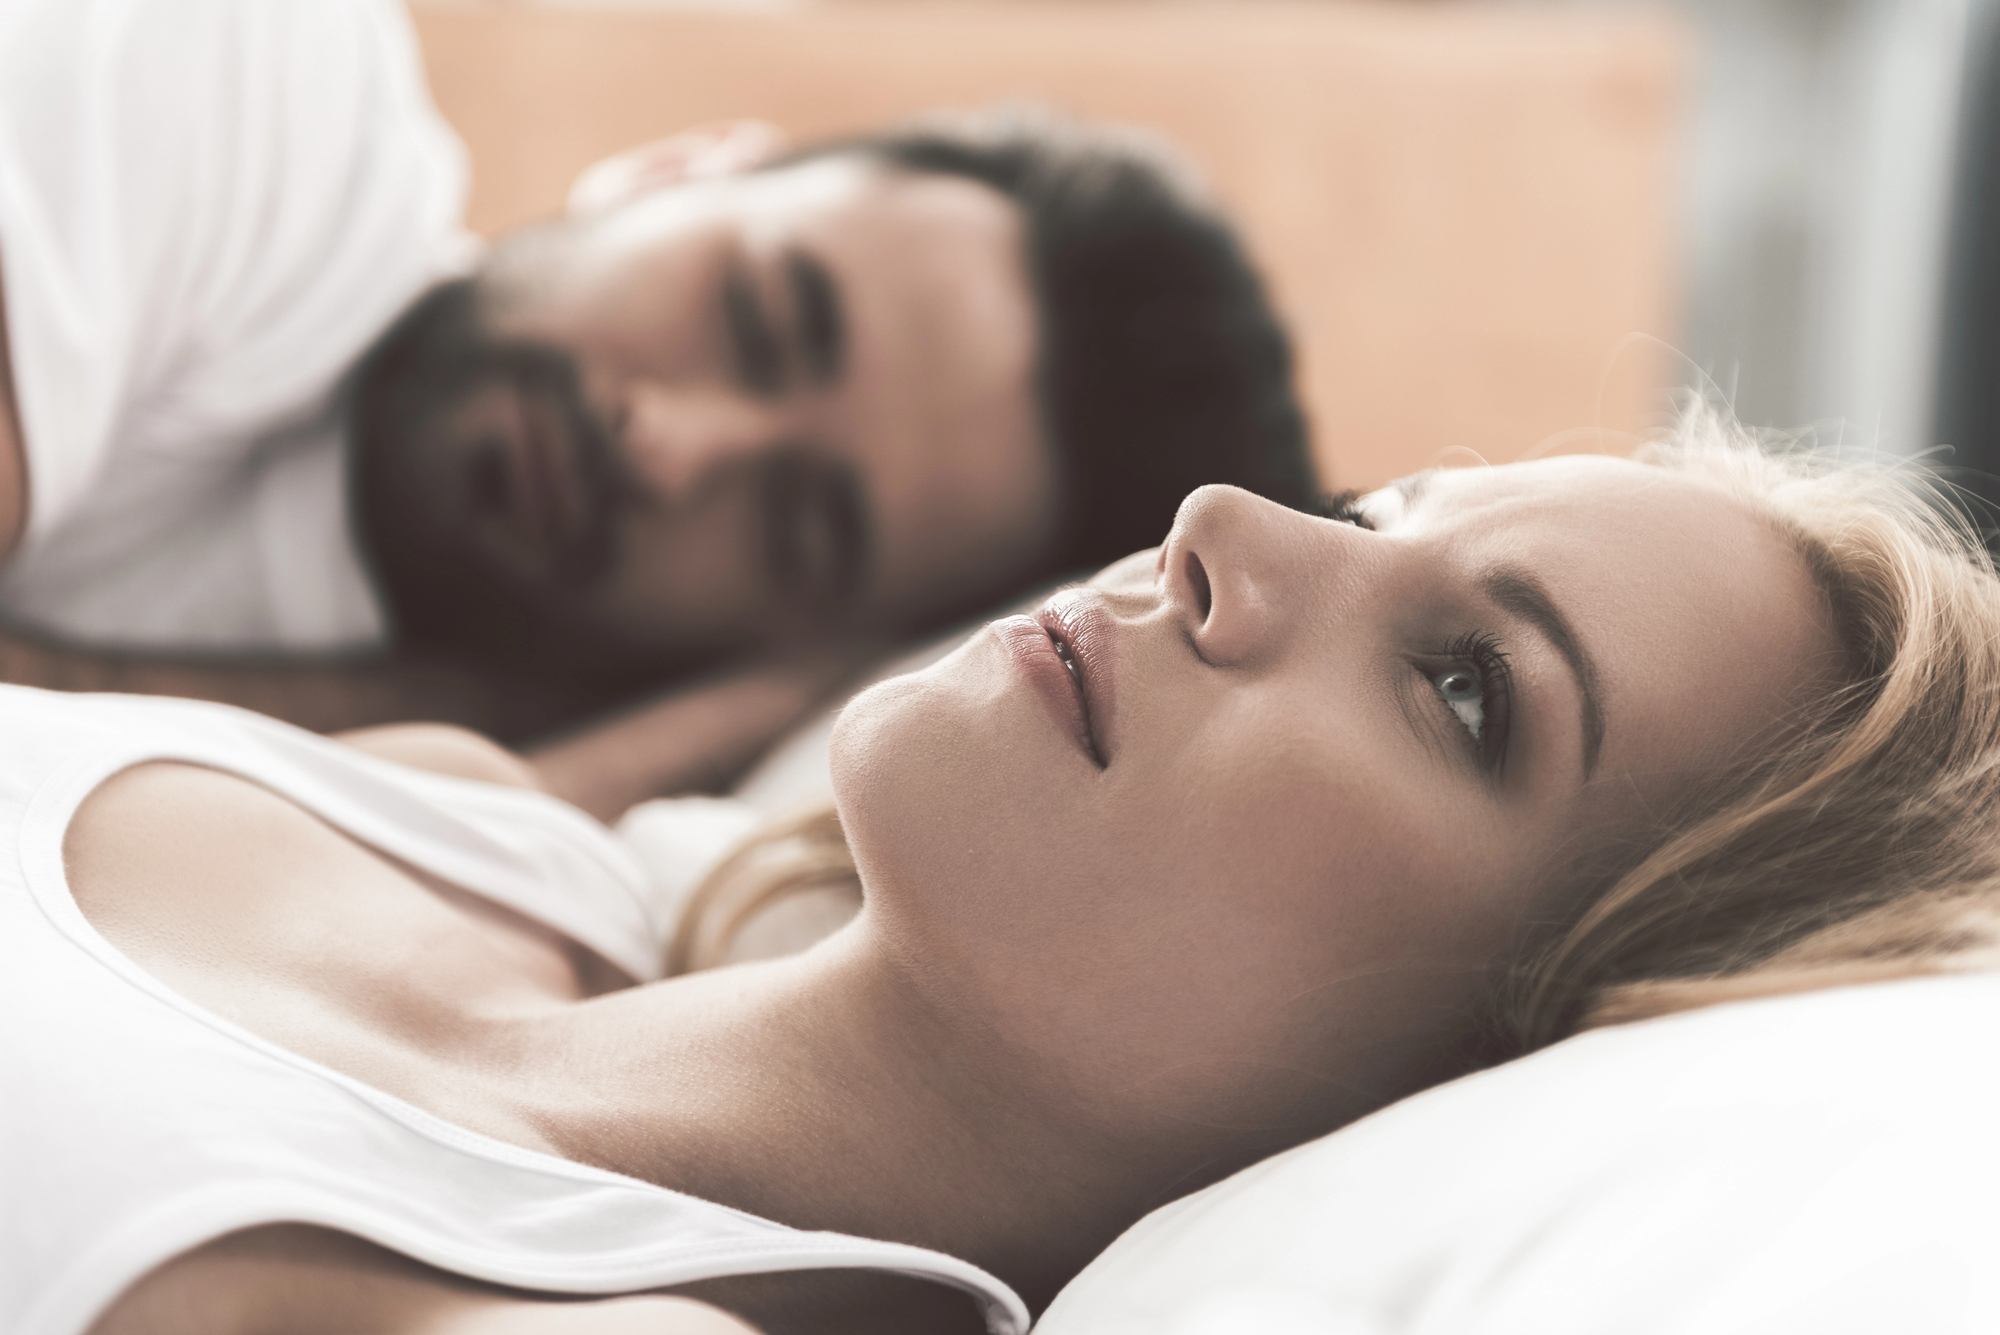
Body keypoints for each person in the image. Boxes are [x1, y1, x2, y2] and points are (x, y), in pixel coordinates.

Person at [14, 401, 1993, 1335]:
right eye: (1380, 509)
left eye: (1463, 687)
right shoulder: (459, 816)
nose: (1227, 522)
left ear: (1511, 1049)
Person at [0, 0, 1316, 814]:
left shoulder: (546, 841)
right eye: (754, 316)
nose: (673, 448)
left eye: (799, 529)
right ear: (673, 171)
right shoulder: (250, 77)